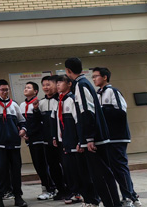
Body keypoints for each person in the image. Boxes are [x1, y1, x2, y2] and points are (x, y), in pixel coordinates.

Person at [65, 57, 121, 207]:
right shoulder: (84, 83)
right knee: (100, 176)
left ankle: (113, 204)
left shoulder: (81, 85)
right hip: (93, 137)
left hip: (95, 139)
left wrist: (89, 138)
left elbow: (87, 111)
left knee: (101, 176)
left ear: (68, 71)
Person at [93, 68, 141, 207]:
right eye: (93, 76)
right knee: (115, 169)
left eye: (96, 76)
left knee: (120, 167)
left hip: (117, 136)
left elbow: (121, 111)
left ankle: (129, 197)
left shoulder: (112, 91)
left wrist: (101, 110)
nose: (94, 79)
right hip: (107, 138)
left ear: (105, 77)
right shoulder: (98, 94)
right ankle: (132, 196)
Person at [0, 80, 28, 207]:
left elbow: (22, 121)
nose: (4, 92)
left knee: (16, 171)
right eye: (2, 90)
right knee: (0, 172)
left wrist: (23, 129)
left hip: (14, 144)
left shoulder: (14, 105)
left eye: (6, 89)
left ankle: (18, 197)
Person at [19, 82, 55, 200]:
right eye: (25, 87)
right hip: (30, 139)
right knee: (37, 165)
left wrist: (29, 132)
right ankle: (46, 188)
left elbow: (39, 122)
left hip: (39, 139)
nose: (26, 89)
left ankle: (50, 189)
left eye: (29, 87)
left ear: (35, 91)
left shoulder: (39, 103)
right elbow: (22, 122)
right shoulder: (22, 105)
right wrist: (23, 131)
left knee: (43, 165)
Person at [54, 75, 86, 205]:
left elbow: (78, 121)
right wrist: (58, 137)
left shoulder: (72, 99)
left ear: (69, 84)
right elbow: (59, 122)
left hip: (74, 141)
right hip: (65, 141)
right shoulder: (60, 101)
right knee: (69, 169)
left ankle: (82, 192)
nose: (58, 85)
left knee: (78, 169)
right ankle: (74, 192)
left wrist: (80, 141)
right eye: (57, 83)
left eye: (61, 82)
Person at [38, 75, 67, 200]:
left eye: (49, 84)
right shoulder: (40, 103)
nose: (46, 87)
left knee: (65, 165)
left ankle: (70, 189)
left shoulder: (61, 100)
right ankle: (60, 190)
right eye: (44, 85)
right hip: (47, 141)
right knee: (53, 166)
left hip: (61, 140)